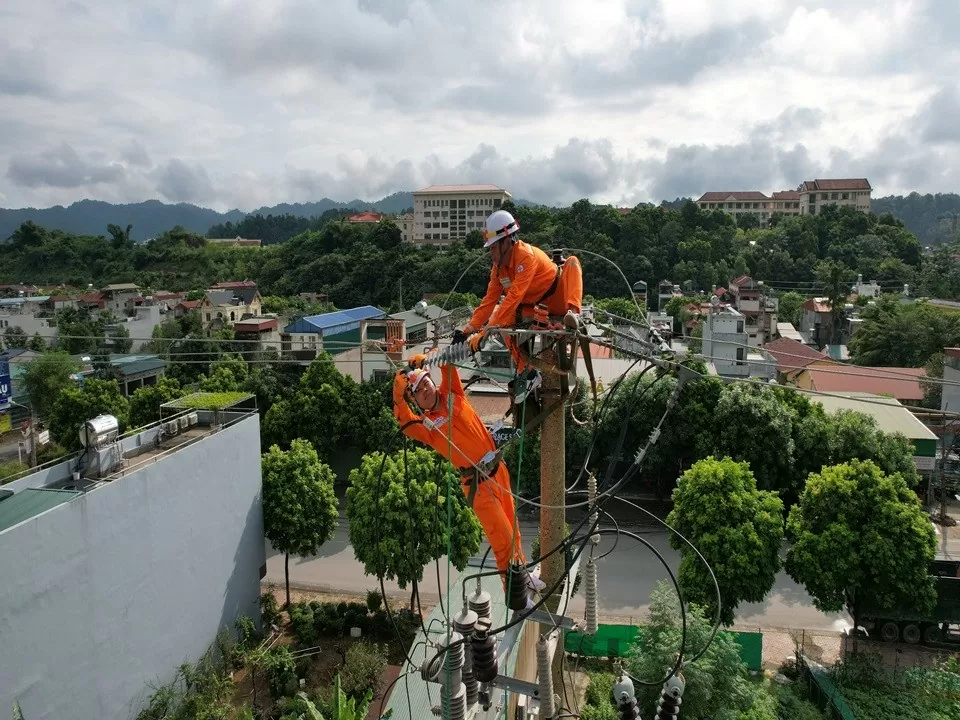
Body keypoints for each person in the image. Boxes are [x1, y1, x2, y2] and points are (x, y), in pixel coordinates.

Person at [393, 356, 543, 596]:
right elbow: (403, 421)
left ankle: (523, 574)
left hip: (497, 470)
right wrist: (398, 395)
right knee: (501, 539)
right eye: (418, 391)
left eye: (425, 384)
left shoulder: (453, 394)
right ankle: (513, 593)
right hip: (478, 485)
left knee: (512, 528)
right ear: (416, 401)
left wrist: (429, 359)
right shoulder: (427, 427)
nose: (424, 391)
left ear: (431, 381)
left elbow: (448, 365)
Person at [458, 209, 583, 404]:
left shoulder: (525, 256)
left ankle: (573, 314)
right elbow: (489, 300)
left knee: (573, 263)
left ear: (506, 241)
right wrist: (469, 329)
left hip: (557, 296)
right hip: (534, 309)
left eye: (492, 247)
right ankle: (527, 372)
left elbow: (513, 297)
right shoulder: (499, 269)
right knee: (504, 320)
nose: (490, 252)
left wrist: (486, 332)